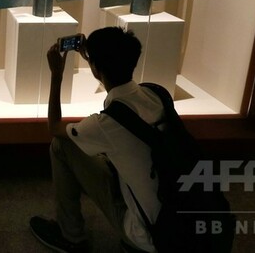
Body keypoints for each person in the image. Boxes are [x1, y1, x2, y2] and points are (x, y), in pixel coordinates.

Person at [29, 26, 164, 253]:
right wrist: (94, 61)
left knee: (62, 145)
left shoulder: (105, 124)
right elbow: (116, 84)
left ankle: (71, 236)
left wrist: (57, 76)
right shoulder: (155, 94)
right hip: (172, 212)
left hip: (146, 237)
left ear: (95, 68)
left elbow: (54, 127)